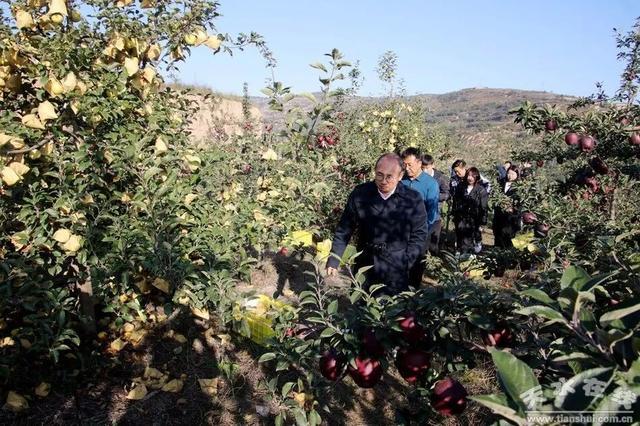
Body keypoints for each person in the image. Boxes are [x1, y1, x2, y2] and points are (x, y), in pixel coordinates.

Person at [326, 153, 429, 295]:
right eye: (379, 175)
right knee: (361, 307)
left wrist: (407, 261)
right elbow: (345, 228)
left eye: (389, 176)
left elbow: (419, 234)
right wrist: (334, 258)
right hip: (365, 263)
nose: (383, 181)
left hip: (396, 265)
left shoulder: (412, 199)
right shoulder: (361, 194)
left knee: (393, 309)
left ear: (400, 176)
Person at [400, 148, 439, 286]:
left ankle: (412, 292)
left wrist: (421, 232)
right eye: (404, 164)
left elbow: (431, 212)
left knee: (416, 262)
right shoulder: (401, 181)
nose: (407, 168)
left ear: (419, 162)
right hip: (400, 230)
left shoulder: (430, 184)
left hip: (420, 231)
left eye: (409, 164)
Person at [452, 167, 489, 254]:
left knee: (469, 238)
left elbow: (483, 206)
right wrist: (454, 213)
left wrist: (483, 221)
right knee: (460, 236)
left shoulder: (481, 190)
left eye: (473, 176)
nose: (470, 178)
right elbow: (455, 201)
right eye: (468, 175)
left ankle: (468, 254)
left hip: (474, 219)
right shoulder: (460, 187)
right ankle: (461, 253)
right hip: (461, 217)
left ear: (476, 177)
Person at [421, 154, 449, 254]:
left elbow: (447, 194)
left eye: (426, 168)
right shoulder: (420, 176)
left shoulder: (440, 178)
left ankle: (433, 263)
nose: (424, 171)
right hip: (421, 213)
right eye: (422, 168)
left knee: (433, 243)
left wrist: (434, 197)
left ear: (432, 165)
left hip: (435, 214)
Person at [492, 166, 521, 248]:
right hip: (499, 217)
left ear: (517, 175)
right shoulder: (500, 183)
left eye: (512, 174)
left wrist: (513, 209)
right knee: (497, 237)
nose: (509, 175)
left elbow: (520, 204)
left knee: (508, 240)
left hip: (511, 219)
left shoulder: (519, 188)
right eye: (508, 173)